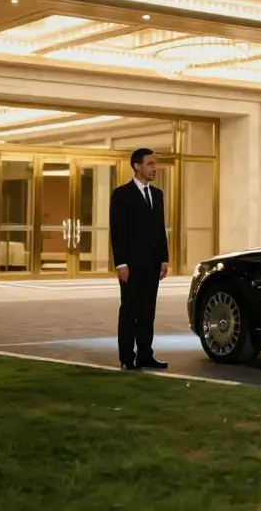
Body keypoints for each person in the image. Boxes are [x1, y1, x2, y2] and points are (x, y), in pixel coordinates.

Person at [110, 148, 170, 370]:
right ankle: (127, 357)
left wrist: (164, 258)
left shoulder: (157, 194)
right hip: (131, 265)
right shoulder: (122, 194)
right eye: (150, 164)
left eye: (155, 164)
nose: (155, 168)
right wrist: (121, 263)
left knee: (147, 312)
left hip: (152, 264)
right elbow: (117, 231)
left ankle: (145, 354)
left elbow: (159, 229)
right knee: (130, 311)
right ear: (137, 166)